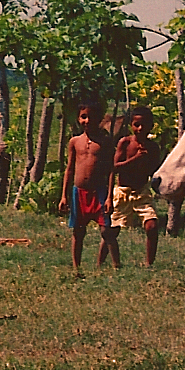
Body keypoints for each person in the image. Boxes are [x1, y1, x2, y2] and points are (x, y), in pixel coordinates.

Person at [59, 97, 116, 271]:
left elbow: (111, 170)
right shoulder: (75, 142)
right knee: (78, 231)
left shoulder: (105, 142)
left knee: (106, 230)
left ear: (100, 118)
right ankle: (76, 267)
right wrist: (64, 196)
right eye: (83, 116)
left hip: (98, 192)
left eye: (92, 117)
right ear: (78, 118)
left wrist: (109, 196)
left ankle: (113, 265)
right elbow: (69, 169)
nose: (87, 121)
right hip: (79, 192)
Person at [108, 105, 162, 267]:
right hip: (122, 192)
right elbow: (114, 168)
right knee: (111, 231)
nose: (140, 129)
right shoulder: (125, 143)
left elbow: (155, 170)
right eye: (136, 125)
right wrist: (135, 159)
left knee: (152, 226)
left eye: (144, 125)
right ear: (130, 125)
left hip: (142, 192)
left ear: (151, 126)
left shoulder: (153, 148)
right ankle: (109, 263)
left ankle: (149, 264)